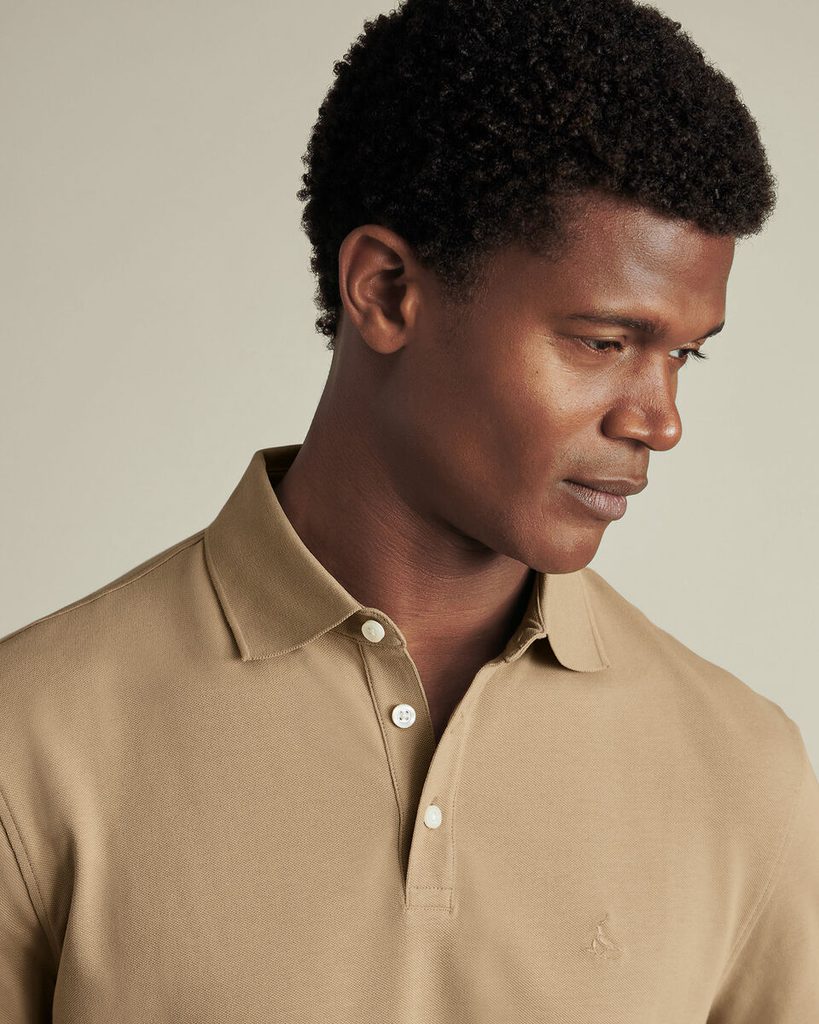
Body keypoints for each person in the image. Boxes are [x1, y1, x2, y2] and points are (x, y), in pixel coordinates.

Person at [1, 0, 817, 1019]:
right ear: (385, 290)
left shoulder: (744, 770)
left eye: (682, 355)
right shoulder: (31, 739)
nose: (659, 421)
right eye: (604, 342)